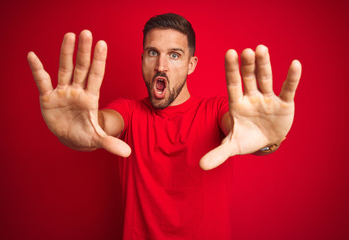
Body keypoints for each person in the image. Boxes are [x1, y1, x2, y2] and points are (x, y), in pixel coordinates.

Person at [27, 13, 301, 240]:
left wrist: (268, 138)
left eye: (174, 55)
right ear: (143, 58)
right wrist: (85, 125)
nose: (161, 66)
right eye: (152, 52)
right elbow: (103, 122)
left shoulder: (217, 110)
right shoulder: (129, 111)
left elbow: (240, 129)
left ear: (191, 64)